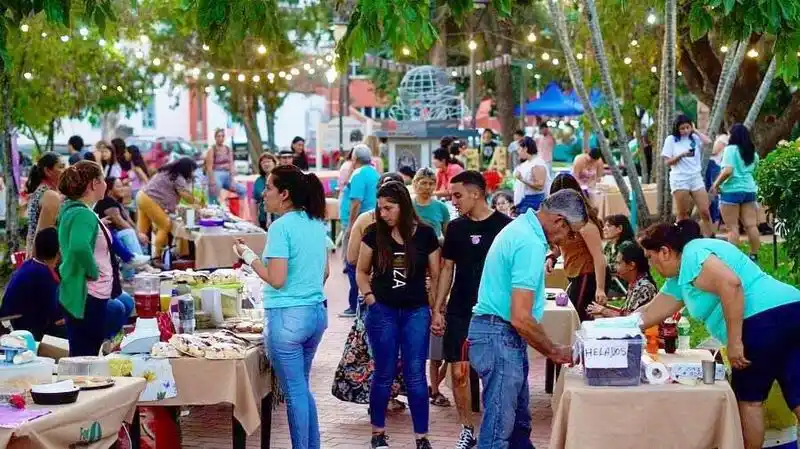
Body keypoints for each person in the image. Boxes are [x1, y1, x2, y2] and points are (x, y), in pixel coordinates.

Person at [636, 222, 800, 449]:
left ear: (665, 251)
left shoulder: (692, 254)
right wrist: (612, 326)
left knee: (750, 401)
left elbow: (731, 284)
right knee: (797, 394)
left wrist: (735, 341)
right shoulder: (681, 277)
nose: (650, 265)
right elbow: (647, 314)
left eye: (650, 257)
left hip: (760, 321)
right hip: (792, 308)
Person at [469, 189, 583, 448]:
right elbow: (521, 317)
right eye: (572, 233)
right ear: (559, 221)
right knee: (499, 431)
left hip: (498, 334)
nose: (569, 240)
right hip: (498, 334)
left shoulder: (523, 230)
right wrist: (553, 350)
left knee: (517, 426)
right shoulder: (529, 242)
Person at [232, 165, 328, 449]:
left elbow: (276, 279)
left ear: (284, 194)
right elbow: (325, 272)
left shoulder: (281, 227)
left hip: (288, 318)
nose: (263, 194)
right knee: (301, 389)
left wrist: (248, 256)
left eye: (269, 188)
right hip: (315, 314)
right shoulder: (315, 223)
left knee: (296, 392)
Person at [356, 181, 441, 449]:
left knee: (416, 374)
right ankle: (378, 433)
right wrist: (371, 299)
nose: (383, 214)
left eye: (388, 208)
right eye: (380, 208)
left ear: (403, 206)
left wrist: (437, 310)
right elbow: (361, 271)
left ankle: (422, 437)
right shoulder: (373, 233)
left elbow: (436, 274)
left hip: (416, 311)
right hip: (383, 310)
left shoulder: (425, 234)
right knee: (384, 372)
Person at [431, 170, 512, 448]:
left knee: (495, 375)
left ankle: (494, 429)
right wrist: (438, 308)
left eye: (457, 195)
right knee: (459, 373)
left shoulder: (505, 227)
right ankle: (466, 428)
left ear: (476, 194)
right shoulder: (455, 228)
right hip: (460, 308)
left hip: (494, 311)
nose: (453, 201)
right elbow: (447, 269)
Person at [345, 172, 410, 413]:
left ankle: (386, 394)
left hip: (392, 295)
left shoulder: (370, 219)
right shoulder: (367, 221)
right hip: (377, 293)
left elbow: (351, 257)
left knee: (382, 346)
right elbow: (353, 258)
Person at [57, 161, 125, 356]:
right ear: (94, 183)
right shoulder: (83, 214)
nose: (106, 184)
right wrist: (93, 271)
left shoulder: (72, 210)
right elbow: (79, 246)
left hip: (82, 291)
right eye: (103, 179)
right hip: (89, 293)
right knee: (86, 353)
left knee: (81, 352)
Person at [549, 173, 607, 322]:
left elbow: (599, 257)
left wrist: (600, 289)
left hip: (587, 275)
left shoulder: (585, 223)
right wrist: (551, 257)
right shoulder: (564, 220)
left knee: (578, 319)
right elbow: (559, 245)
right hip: (574, 275)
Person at [1, 228, 64, 340]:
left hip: (10, 320)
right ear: (58, 252)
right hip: (23, 327)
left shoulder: (29, 264)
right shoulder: (45, 275)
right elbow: (56, 317)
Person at [340, 145, 381, 317]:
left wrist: (351, 226)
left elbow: (356, 202)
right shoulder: (374, 173)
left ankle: (354, 304)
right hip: (371, 222)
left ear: (354, 159)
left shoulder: (358, 174)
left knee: (352, 263)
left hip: (360, 224)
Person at [710, 124, 761, 259]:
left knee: (732, 227)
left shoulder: (730, 150)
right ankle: (754, 255)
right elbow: (756, 173)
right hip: (749, 191)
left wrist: (716, 184)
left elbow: (728, 171)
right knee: (751, 225)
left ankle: (732, 259)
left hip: (731, 191)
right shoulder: (753, 153)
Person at [662, 114, 714, 237]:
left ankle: (710, 236)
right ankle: (679, 238)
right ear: (677, 129)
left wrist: (695, 130)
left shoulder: (694, 137)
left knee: (705, 211)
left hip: (695, 177)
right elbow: (667, 162)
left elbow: (708, 142)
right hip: (680, 178)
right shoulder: (671, 140)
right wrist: (682, 155)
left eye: (687, 127)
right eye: (682, 128)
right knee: (683, 214)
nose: (685, 131)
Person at [137, 158, 199, 259]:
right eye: (192, 171)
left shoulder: (166, 172)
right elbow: (186, 196)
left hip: (142, 196)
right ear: (186, 169)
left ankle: (140, 256)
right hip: (150, 199)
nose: (192, 173)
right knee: (165, 225)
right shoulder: (177, 177)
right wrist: (197, 201)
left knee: (142, 232)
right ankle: (157, 257)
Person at [587, 241, 656, 317]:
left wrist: (604, 311)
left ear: (631, 265)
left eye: (618, 263)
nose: (615, 267)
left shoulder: (644, 287)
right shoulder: (635, 284)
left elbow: (630, 320)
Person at [95, 177, 150, 266]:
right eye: (118, 187)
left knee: (136, 234)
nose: (122, 189)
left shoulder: (116, 202)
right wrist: (137, 234)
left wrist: (139, 233)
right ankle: (141, 265)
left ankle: (139, 266)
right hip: (108, 235)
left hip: (114, 235)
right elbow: (120, 223)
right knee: (129, 233)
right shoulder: (106, 201)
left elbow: (128, 220)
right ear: (109, 190)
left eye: (122, 186)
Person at [25, 152, 65, 258]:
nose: (65, 170)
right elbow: (42, 234)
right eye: (61, 167)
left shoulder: (42, 191)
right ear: (48, 171)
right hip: (46, 259)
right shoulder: (50, 195)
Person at [206, 128, 246, 203]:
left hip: (227, 175)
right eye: (218, 136)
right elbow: (209, 167)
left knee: (242, 189)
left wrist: (232, 180)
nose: (221, 138)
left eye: (222, 136)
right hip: (216, 173)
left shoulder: (228, 149)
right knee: (216, 187)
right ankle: (213, 206)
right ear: (215, 137)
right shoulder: (212, 149)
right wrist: (212, 181)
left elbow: (231, 165)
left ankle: (241, 209)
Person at [513, 136, 550, 214]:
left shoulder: (537, 164)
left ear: (525, 149)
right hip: (524, 202)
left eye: (519, 149)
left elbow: (540, 186)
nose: (518, 152)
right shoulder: (527, 163)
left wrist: (522, 179)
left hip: (532, 201)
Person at [602, 214, 635, 297]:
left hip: (621, 287)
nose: (604, 229)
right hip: (609, 284)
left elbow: (619, 267)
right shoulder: (608, 246)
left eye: (608, 226)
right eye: (604, 226)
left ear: (619, 228)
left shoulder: (627, 246)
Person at [413, 168, 450, 240]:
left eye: (431, 184)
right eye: (423, 183)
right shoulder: (408, 206)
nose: (427, 187)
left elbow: (448, 238)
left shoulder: (441, 207)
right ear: (415, 183)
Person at [706, 132, 728, 228]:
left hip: (714, 165)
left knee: (712, 193)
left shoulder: (723, 137)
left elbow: (714, 151)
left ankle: (714, 220)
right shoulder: (719, 137)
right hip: (711, 165)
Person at [253, 153, 278, 230]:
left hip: (278, 218)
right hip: (263, 219)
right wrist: (255, 220)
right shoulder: (258, 181)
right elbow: (254, 201)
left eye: (268, 161)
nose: (266, 164)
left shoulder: (280, 178)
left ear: (274, 163)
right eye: (263, 162)